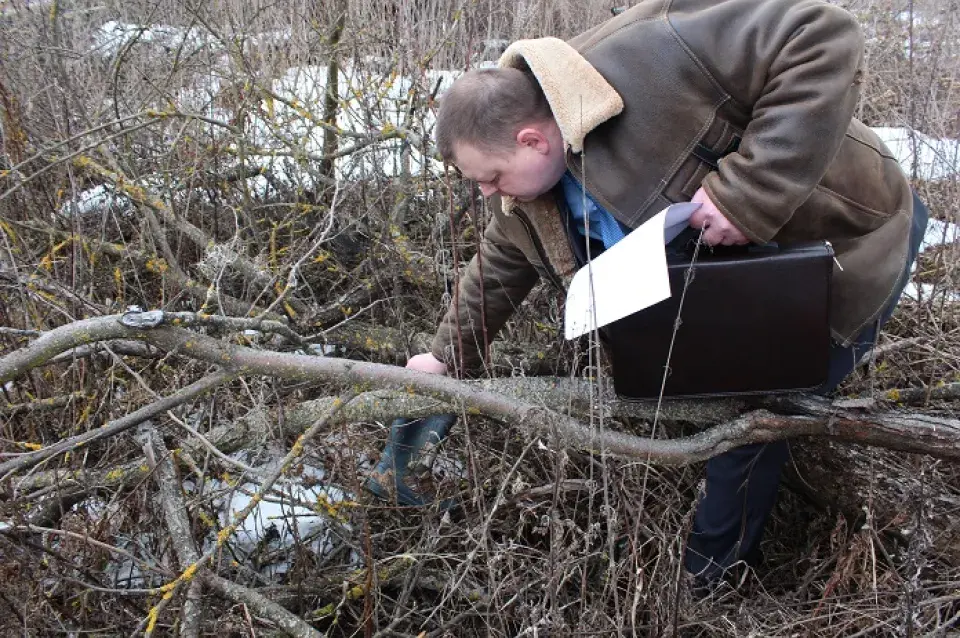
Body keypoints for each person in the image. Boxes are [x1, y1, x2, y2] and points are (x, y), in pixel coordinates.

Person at [385, 0, 928, 590]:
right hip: (740, 284)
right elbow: (499, 261)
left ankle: (709, 586)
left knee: (756, 417)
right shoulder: (532, 182)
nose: (490, 193)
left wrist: (749, 194)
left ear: (533, 140)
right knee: (706, 401)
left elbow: (821, 32)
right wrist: (445, 356)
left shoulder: (655, 57)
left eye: (490, 177)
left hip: (849, 244)